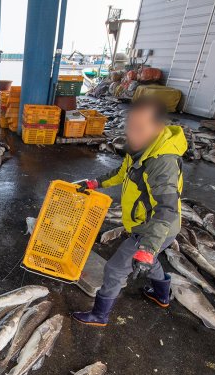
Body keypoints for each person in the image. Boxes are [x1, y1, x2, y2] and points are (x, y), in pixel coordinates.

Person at [72, 97, 187, 326]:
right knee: (149, 260)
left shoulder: (161, 162)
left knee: (115, 269)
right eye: (131, 126)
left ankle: (99, 315)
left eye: (140, 128)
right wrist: (95, 183)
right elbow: (122, 172)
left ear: (158, 127)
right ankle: (162, 294)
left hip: (154, 228)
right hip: (144, 225)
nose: (132, 133)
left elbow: (166, 210)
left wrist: (147, 248)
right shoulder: (140, 148)